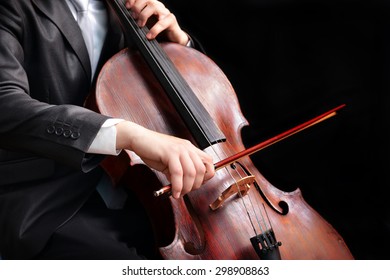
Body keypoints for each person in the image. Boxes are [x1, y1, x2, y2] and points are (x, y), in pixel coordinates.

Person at [0, 0, 215, 260]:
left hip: (146, 194)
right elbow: (6, 105)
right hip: (48, 202)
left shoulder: (127, 6)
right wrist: (128, 134)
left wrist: (178, 44)